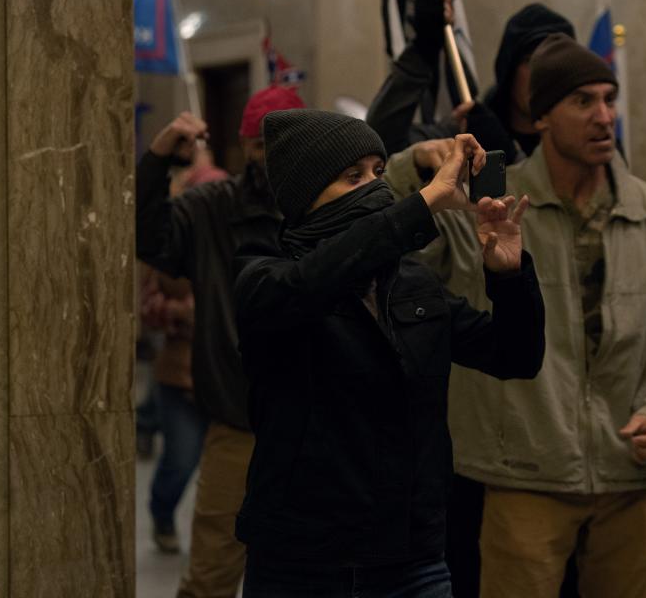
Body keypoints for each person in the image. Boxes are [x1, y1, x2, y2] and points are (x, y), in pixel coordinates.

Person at [385, 33, 646, 598]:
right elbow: (385, 244)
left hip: (631, 475)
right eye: (583, 101)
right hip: (523, 473)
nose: (604, 115)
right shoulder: (488, 208)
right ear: (541, 117)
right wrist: (409, 165)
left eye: (610, 99)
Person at [231, 111, 546, 597]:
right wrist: (422, 205)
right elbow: (313, 282)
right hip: (301, 560)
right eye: (352, 177)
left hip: (410, 557)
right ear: (305, 196)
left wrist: (508, 276)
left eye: (379, 173)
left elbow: (515, 356)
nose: (375, 189)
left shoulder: (414, 283)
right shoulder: (264, 278)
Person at [135, 85, 304, 597]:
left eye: (285, 145)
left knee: (305, 572)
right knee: (212, 572)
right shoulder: (213, 208)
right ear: (244, 146)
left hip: (319, 428)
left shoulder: (329, 209)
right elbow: (150, 238)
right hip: (239, 420)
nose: (271, 159)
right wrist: (161, 156)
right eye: (260, 146)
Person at [367, 0, 575, 164]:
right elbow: (381, 144)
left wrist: (507, 158)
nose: (543, 73)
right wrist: (424, 49)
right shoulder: (472, 129)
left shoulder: (578, 137)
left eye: (556, 64)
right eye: (531, 62)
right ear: (509, 69)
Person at [141, 159, 227, 554]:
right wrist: (184, 311)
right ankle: (161, 514)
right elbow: (147, 308)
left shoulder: (234, 246)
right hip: (180, 374)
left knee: (228, 474)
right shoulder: (167, 249)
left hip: (229, 377)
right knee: (180, 460)